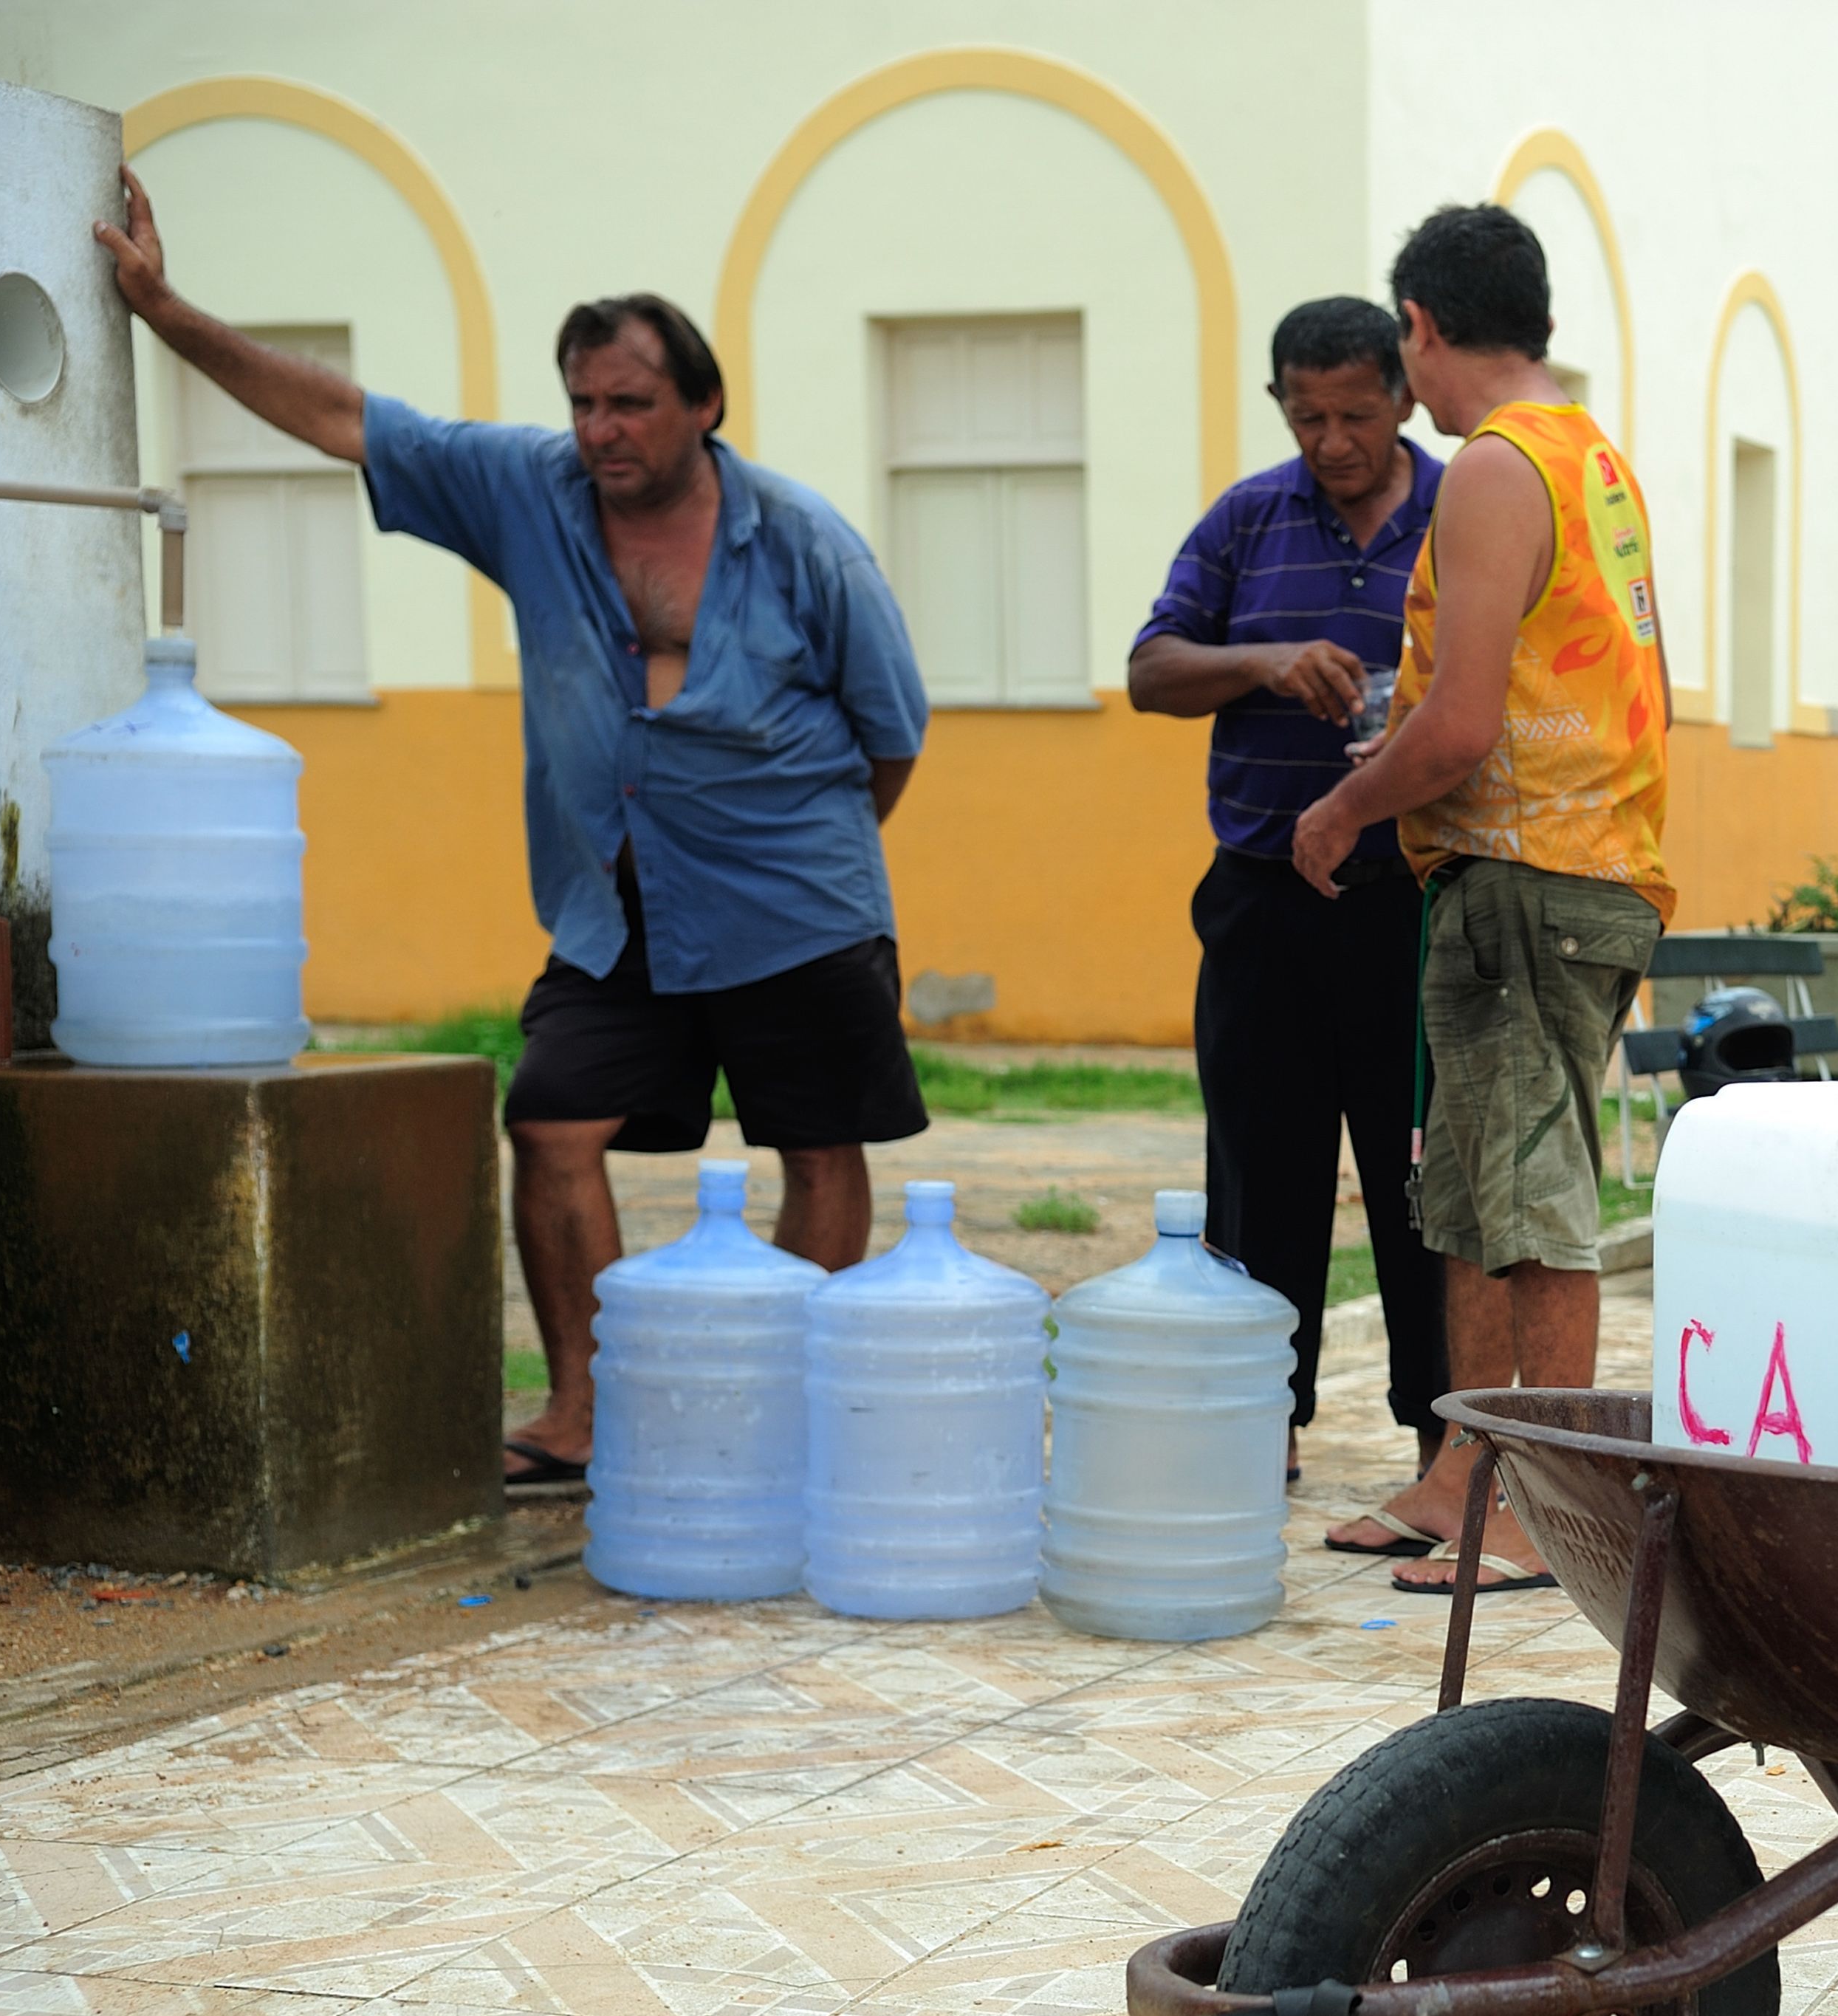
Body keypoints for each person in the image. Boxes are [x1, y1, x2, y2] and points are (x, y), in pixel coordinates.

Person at [97, 169, 930, 1490]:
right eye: (585, 402)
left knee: (816, 1147)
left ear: (703, 407)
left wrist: (797, 850)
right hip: (616, 902)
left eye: (631, 403)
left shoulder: (805, 543)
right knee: (549, 1121)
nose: (601, 429)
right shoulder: (525, 492)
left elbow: (894, 729)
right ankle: (585, 1412)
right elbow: (344, 417)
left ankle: (784, 1411)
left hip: (796, 900)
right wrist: (164, 312)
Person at [1289, 205, 1671, 1596]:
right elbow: (1652, 688)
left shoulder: (1496, 471)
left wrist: (1339, 810)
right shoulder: (1593, 462)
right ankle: (1464, 1473)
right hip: (1537, 869)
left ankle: (1546, 1509)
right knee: (1458, 1189)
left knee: (1527, 1198)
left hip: (1537, 874)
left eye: (1406, 348)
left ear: (1426, 330)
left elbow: (1455, 729)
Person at [1129, 300, 1450, 1543]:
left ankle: (1441, 1438)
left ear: (1403, 403)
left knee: (1417, 1181)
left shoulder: (1453, 518)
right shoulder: (1245, 522)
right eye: (1306, 417)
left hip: (1407, 903)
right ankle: (1265, 1421)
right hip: (1262, 894)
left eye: (1355, 415)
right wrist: (1263, 660)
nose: (1332, 440)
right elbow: (1153, 671)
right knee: (1259, 1174)